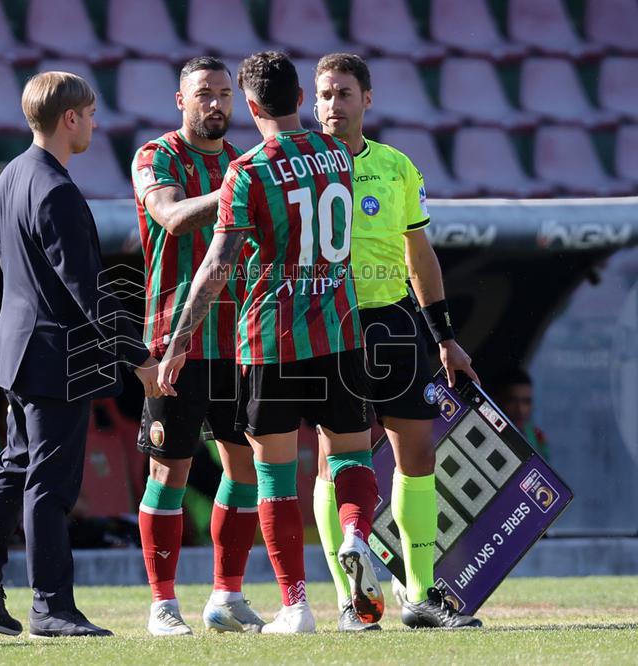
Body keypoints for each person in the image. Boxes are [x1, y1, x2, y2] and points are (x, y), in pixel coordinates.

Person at [158, 51, 383, 634]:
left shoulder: (248, 170)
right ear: (302, 99)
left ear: (251, 106)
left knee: (275, 479)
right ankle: (356, 538)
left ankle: (297, 605)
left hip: (271, 342)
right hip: (339, 333)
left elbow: (218, 264)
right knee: (351, 457)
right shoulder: (338, 154)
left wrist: (180, 337)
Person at [0, 71, 160, 639]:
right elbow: (88, 291)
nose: (94, 124)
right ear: (69, 118)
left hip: (19, 351)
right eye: (89, 114)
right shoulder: (57, 189)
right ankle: (51, 607)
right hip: (57, 358)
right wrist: (140, 357)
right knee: (50, 483)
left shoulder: (11, 175)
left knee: (16, 466)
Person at [309, 53, 482, 631]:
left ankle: (422, 595)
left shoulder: (397, 166)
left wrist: (445, 337)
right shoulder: (303, 170)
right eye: (325, 94)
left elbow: (419, 255)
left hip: (394, 323)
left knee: (418, 454)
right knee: (336, 457)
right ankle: (349, 602)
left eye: (344, 93)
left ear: (367, 99)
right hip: (330, 325)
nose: (333, 105)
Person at [131, 56, 263, 636]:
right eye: (204, 93)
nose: (216, 103)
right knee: (170, 471)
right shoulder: (156, 156)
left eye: (224, 93)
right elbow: (170, 217)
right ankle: (162, 605)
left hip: (239, 342)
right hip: (173, 342)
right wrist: (235, 189)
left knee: (245, 467)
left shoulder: (243, 161)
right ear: (180, 100)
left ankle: (226, 597)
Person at [492, 367, 549, 460]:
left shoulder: (538, 438)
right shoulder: (485, 428)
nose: (520, 410)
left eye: (526, 401)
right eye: (512, 400)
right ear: (498, 400)